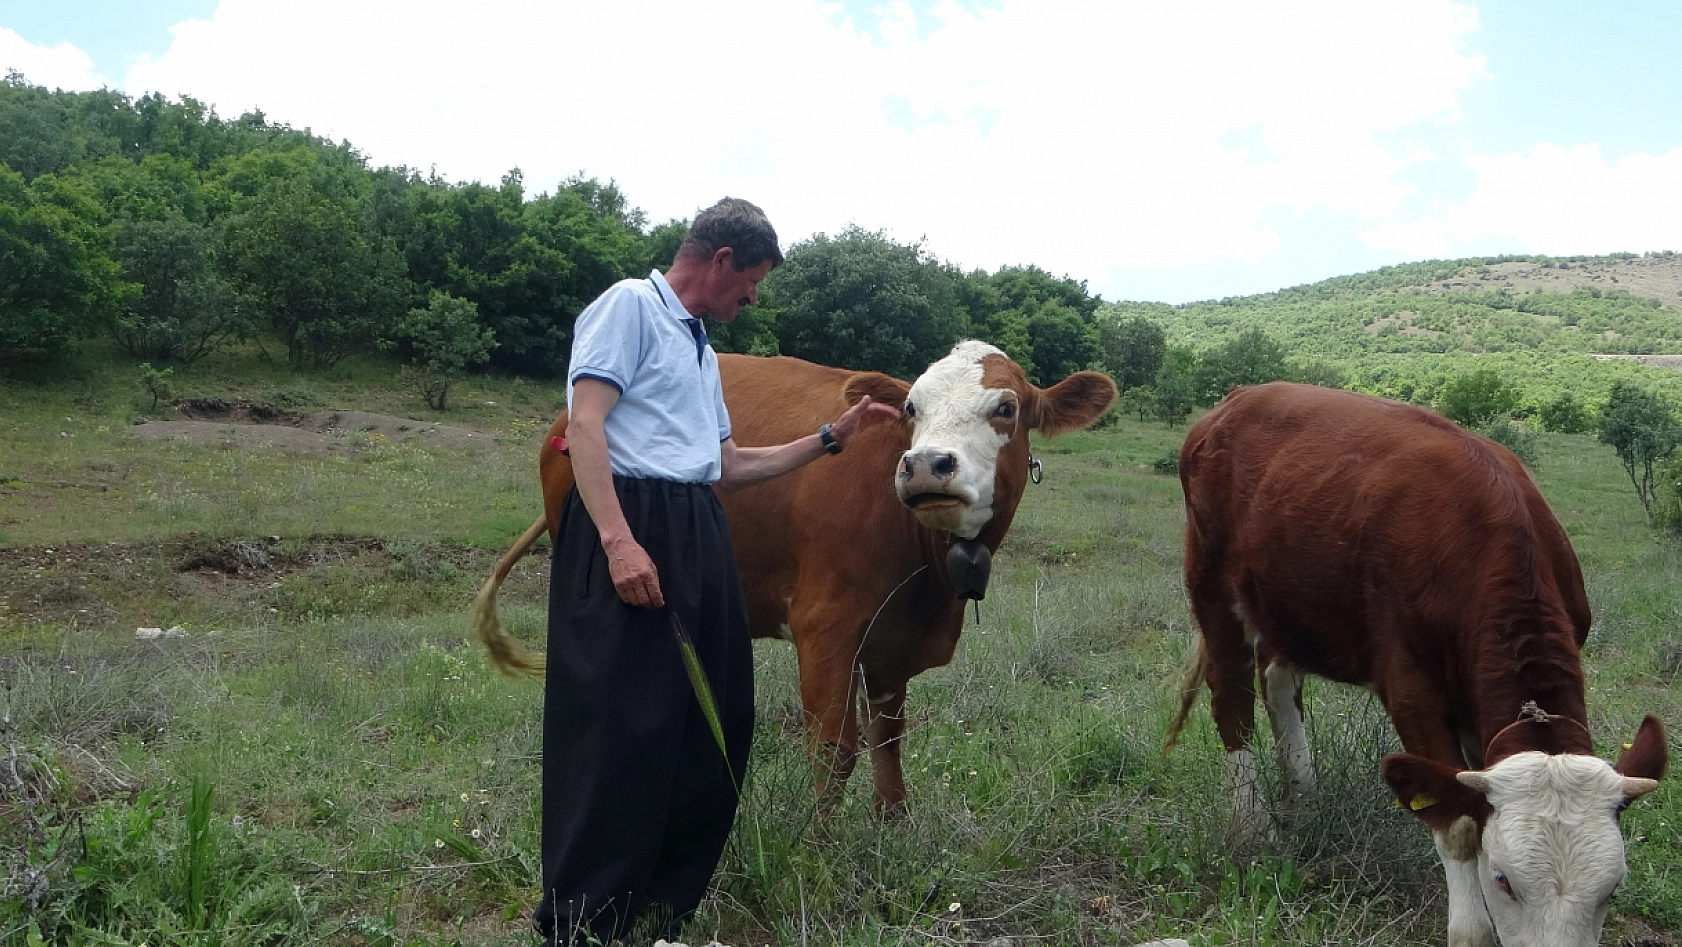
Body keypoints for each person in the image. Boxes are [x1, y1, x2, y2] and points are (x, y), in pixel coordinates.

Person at [535, 197, 898, 946]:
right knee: (621, 725)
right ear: (722, 260)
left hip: (698, 521)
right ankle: (586, 919)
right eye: (752, 281)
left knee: (717, 721)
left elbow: (728, 464)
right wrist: (617, 541)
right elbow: (587, 424)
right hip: (633, 515)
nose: (754, 298)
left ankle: (665, 904)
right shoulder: (629, 307)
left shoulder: (697, 343)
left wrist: (833, 436)